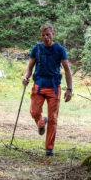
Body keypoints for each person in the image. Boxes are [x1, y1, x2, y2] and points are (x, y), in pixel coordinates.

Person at [22, 23, 72, 156]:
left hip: (54, 87)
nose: (45, 37)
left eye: (48, 34)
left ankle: (49, 147)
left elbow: (67, 70)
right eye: (43, 35)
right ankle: (40, 122)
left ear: (53, 34)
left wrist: (69, 89)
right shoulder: (36, 48)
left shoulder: (59, 49)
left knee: (53, 118)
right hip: (38, 85)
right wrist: (26, 76)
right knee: (34, 111)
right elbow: (30, 67)